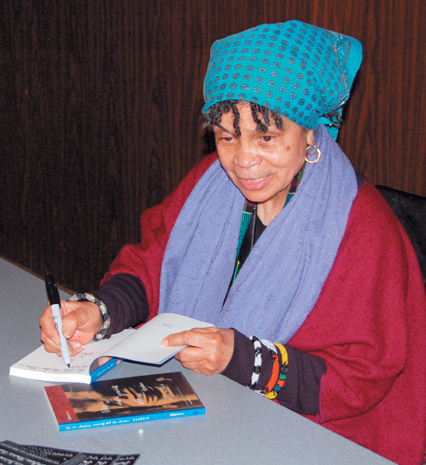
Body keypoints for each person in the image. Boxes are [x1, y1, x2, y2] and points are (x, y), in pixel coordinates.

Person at [39, 20, 426, 465]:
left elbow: (357, 378)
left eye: (267, 136)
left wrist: (241, 358)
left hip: (327, 435)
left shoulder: (361, 229)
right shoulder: (209, 184)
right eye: (226, 135)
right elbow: (153, 264)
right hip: (213, 412)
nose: (243, 160)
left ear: (312, 130)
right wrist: (99, 312)